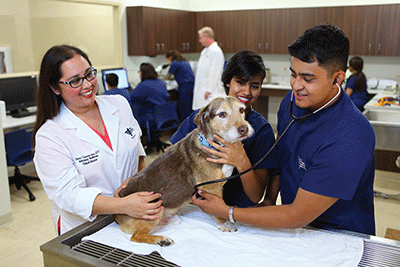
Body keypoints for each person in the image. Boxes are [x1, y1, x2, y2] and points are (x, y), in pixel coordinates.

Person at [192, 24, 376, 236]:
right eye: (293, 74)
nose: (296, 86)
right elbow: (283, 156)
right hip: (294, 228)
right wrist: (270, 199)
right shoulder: (292, 103)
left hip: (336, 235)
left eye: (307, 79)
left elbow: (296, 215)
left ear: (337, 78)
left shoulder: (349, 138)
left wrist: (227, 211)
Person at [33, 45, 162, 235]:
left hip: (131, 213)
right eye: (75, 81)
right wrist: (122, 204)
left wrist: (134, 183)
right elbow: (69, 195)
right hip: (85, 226)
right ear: (55, 88)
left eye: (89, 74)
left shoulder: (119, 104)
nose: (87, 85)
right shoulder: (50, 135)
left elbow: (137, 155)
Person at [171, 50, 279, 208]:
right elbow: (171, 159)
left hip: (237, 211)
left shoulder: (261, 131)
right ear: (228, 82)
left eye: (254, 86)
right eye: (240, 83)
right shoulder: (202, 117)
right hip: (196, 208)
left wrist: (242, 162)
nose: (247, 92)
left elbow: (255, 196)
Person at [130, 63, 170, 131]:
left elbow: (132, 97)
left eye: (140, 72)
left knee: (133, 108)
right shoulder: (161, 82)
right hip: (165, 115)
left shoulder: (143, 85)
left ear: (143, 73)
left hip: (151, 119)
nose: (139, 73)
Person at [192, 26, 225, 110]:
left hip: (209, 92)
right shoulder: (205, 51)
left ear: (206, 37)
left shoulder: (216, 51)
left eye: (200, 38)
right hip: (201, 91)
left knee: (208, 115)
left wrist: (209, 90)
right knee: (199, 115)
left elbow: (215, 73)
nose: (199, 40)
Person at [166, 49, 195, 121]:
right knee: (190, 109)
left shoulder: (175, 63)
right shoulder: (185, 62)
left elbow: (168, 76)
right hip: (191, 87)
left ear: (170, 58)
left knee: (184, 109)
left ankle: (185, 129)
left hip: (184, 88)